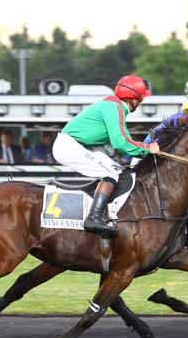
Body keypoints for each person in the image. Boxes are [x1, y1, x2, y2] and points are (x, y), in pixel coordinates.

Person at [52, 74, 160, 237]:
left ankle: (108, 213)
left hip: (78, 145)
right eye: (141, 98)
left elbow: (126, 140)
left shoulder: (115, 107)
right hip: (69, 146)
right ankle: (93, 218)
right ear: (132, 98)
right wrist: (147, 148)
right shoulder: (114, 108)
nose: (142, 102)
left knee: (118, 171)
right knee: (111, 173)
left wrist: (143, 150)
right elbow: (121, 142)